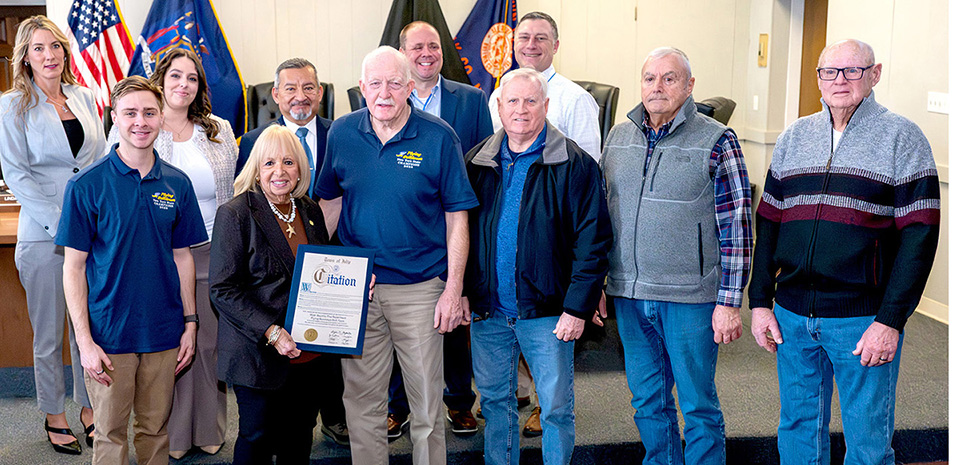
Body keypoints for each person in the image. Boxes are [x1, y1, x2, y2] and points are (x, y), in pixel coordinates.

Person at [748, 39, 940, 465]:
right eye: (829, 72)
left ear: (875, 74)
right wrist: (761, 302)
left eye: (852, 71)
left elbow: (920, 237)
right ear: (817, 78)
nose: (839, 81)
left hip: (861, 320)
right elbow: (769, 223)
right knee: (796, 429)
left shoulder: (902, 138)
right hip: (793, 316)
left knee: (868, 441)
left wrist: (890, 320)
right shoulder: (794, 137)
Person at [315, 46, 478, 465]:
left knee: (426, 407)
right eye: (375, 83)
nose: (384, 92)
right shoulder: (342, 134)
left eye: (394, 83)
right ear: (361, 88)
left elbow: (457, 217)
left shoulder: (439, 136)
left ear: (409, 87)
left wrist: (453, 289)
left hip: (421, 289)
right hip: (358, 290)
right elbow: (328, 207)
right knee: (363, 405)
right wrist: (318, 278)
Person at [600, 47, 753, 465]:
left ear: (689, 86)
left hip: (691, 298)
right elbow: (602, 217)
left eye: (669, 78)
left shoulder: (718, 140)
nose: (657, 87)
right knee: (647, 403)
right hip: (629, 294)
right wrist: (599, 283)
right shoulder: (617, 138)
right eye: (649, 78)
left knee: (698, 406)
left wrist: (729, 302)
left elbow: (738, 228)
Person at [464, 67, 611, 465]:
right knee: (495, 406)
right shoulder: (477, 162)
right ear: (499, 106)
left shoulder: (575, 164)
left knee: (556, 409)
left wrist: (577, 307)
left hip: (549, 314)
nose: (522, 109)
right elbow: (461, 235)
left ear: (546, 106)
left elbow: (594, 243)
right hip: (489, 313)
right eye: (512, 101)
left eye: (531, 101)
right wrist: (463, 291)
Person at [57, 76, 207, 465]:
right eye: (130, 113)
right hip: (108, 337)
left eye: (149, 112)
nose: (140, 121)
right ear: (114, 118)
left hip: (164, 331)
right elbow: (73, 268)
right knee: (109, 434)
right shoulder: (86, 186)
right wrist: (84, 341)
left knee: (156, 432)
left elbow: (183, 257)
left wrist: (190, 323)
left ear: (161, 118)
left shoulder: (177, 183)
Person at [105, 47, 237, 459]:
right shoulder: (141, 127)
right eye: (175, 76)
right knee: (169, 348)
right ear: (160, 81)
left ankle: (209, 428)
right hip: (158, 256)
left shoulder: (218, 129)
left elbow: (230, 192)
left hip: (212, 251)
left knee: (208, 346)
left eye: (192, 78)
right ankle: (174, 436)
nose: (183, 84)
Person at [0, 15, 106, 455]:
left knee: (89, 325)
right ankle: (53, 413)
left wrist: (100, 219)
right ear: (25, 56)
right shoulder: (11, 105)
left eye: (56, 46)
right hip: (45, 236)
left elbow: (98, 162)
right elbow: (16, 175)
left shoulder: (85, 96)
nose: (50, 55)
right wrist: (64, 224)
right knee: (49, 332)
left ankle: (88, 406)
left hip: (93, 232)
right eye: (39, 48)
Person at [384, 20, 494, 437]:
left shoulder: (471, 99)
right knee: (396, 325)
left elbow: (485, 166)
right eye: (417, 47)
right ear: (403, 53)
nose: (426, 53)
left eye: (433, 46)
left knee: (454, 314)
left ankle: (460, 401)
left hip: (453, 226)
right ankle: (398, 406)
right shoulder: (384, 94)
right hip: (405, 229)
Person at [211, 125, 345, 464]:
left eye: (288, 162)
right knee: (257, 436)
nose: (279, 172)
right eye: (269, 163)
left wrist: (353, 286)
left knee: (300, 434)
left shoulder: (309, 210)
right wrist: (271, 332)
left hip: (307, 350)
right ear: (256, 168)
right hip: (257, 350)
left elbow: (323, 272)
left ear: (300, 168)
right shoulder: (236, 213)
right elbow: (223, 289)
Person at [488, 11, 600, 162]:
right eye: (524, 38)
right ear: (514, 44)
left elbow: (587, 166)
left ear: (555, 46)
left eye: (540, 38)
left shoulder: (576, 99)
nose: (531, 45)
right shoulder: (498, 94)